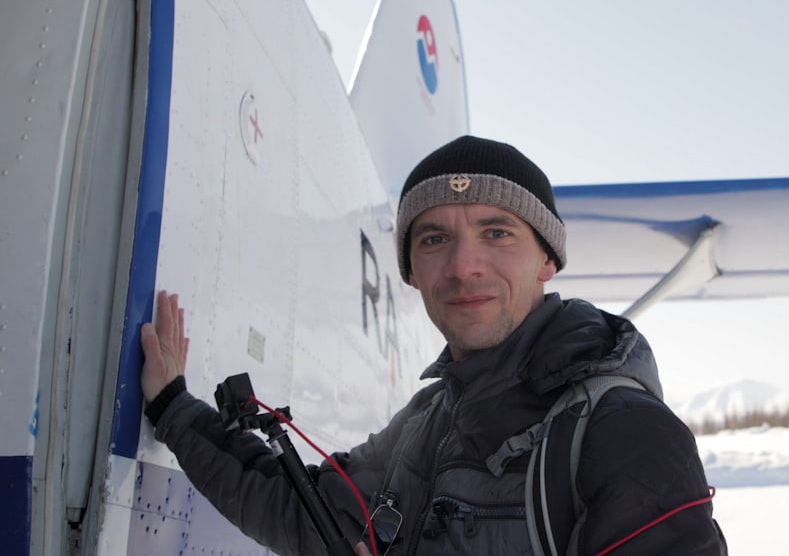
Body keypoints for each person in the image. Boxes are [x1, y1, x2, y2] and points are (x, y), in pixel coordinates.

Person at [141, 135, 727, 555]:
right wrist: (173, 408)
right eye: (435, 238)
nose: (463, 265)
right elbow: (306, 513)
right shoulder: (428, 421)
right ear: (412, 272)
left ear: (547, 259)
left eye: (496, 233)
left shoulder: (621, 431)